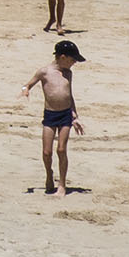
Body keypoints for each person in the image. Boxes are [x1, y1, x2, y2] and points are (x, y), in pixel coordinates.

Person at [20, 40, 86, 197]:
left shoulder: (68, 74)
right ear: (62, 57)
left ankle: (62, 185)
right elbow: (27, 84)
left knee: (61, 149)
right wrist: (25, 90)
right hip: (50, 115)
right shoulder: (44, 72)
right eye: (72, 60)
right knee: (46, 152)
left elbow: (70, 95)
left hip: (65, 115)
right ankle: (49, 175)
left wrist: (75, 115)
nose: (74, 63)